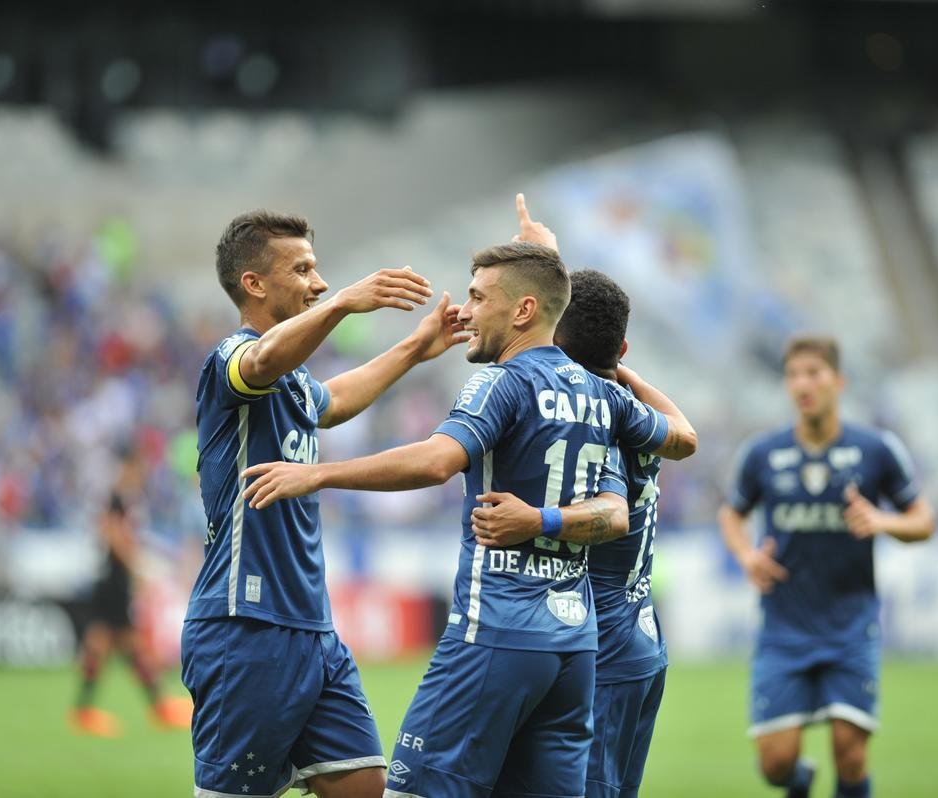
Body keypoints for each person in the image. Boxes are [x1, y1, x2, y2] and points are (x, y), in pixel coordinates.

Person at [241, 209, 697, 798]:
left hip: (496, 629)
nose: (466, 311)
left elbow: (436, 461)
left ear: (524, 311)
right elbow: (655, 469)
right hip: (575, 649)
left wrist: (318, 473)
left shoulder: (500, 382)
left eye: (480, 297)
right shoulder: (604, 396)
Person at [182, 210, 467, 798]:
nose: (317, 281)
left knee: (364, 785)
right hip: (246, 625)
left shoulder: (292, 381)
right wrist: (339, 305)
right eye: (303, 269)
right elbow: (261, 363)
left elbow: (332, 401)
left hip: (312, 629)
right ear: (254, 284)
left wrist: (415, 346)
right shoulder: (232, 358)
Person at [469, 268, 683, 798]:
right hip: (640, 641)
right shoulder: (634, 415)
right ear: (623, 349)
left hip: (601, 645)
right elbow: (685, 432)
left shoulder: (593, 423)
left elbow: (610, 517)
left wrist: (534, 520)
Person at [717, 335, 936, 798]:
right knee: (776, 765)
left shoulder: (876, 449)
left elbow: (924, 522)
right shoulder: (762, 454)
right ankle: (799, 783)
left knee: (850, 752)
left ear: (838, 381)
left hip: (849, 626)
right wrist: (746, 555)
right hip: (783, 628)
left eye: (813, 373)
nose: (802, 384)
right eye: (794, 375)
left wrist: (881, 520)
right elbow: (731, 514)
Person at [69, 447, 192, 738]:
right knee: (115, 643)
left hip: (114, 579)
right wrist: (135, 566)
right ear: (127, 467)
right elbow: (112, 535)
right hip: (113, 580)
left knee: (121, 644)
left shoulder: (123, 498)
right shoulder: (116, 497)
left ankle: (152, 706)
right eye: (137, 468)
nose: (141, 474)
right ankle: (154, 707)